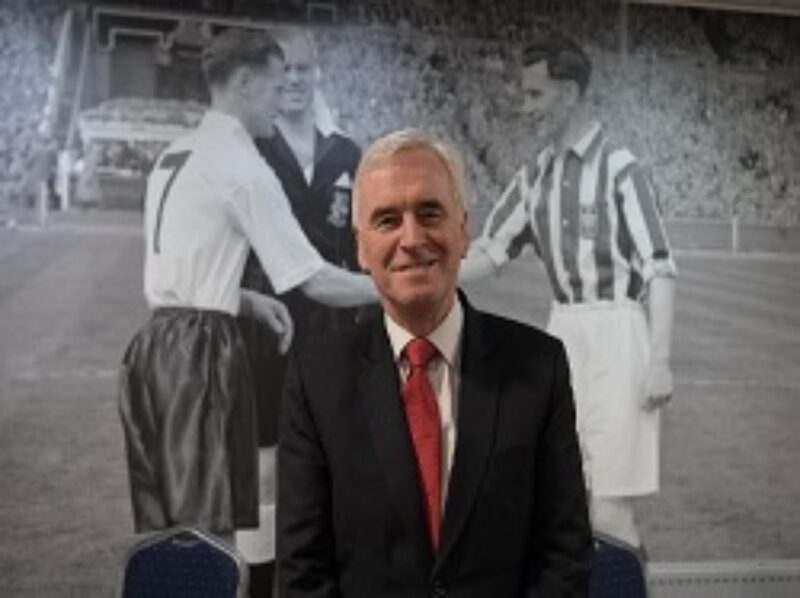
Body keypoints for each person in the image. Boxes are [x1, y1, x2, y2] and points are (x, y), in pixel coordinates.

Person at [277, 129, 592, 597]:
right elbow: (303, 576)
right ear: (362, 248)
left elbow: (564, 561)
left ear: (463, 231)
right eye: (387, 220)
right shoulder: (317, 378)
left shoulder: (538, 368)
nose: (412, 238)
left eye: (430, 213)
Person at [118, 28, 375, 544]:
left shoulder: (177, 152)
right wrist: (398, 291)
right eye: (276, 88)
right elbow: (316, 279)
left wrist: (244, 299)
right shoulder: (244, 168)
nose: (282, 103)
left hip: (153, 348)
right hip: (200, 354)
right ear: (242, 83)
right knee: (206, 532)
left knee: (170, 524)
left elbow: (176, 266)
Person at [461, 37, 677, 550]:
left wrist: (660, 361)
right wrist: (424, 274)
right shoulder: (534, 174)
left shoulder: (620, 168)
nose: (525, 107)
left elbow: (660, 269)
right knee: (561, 501)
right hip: (563, 334)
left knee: (610, 509)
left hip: (619, 331)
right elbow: (491, 253)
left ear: (571, 93)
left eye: (536, 95)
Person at [236, 26, 364, 596]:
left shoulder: (349, 153)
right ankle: (260, 586)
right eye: (282, 70)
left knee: (333, 464)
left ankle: (321, 582)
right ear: (268, 76)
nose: (293, 81)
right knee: (265, 467)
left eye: (303, 70)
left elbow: (364, 243)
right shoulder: (251, 145)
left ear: (318, 75)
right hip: (267, 329)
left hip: (337, 331)